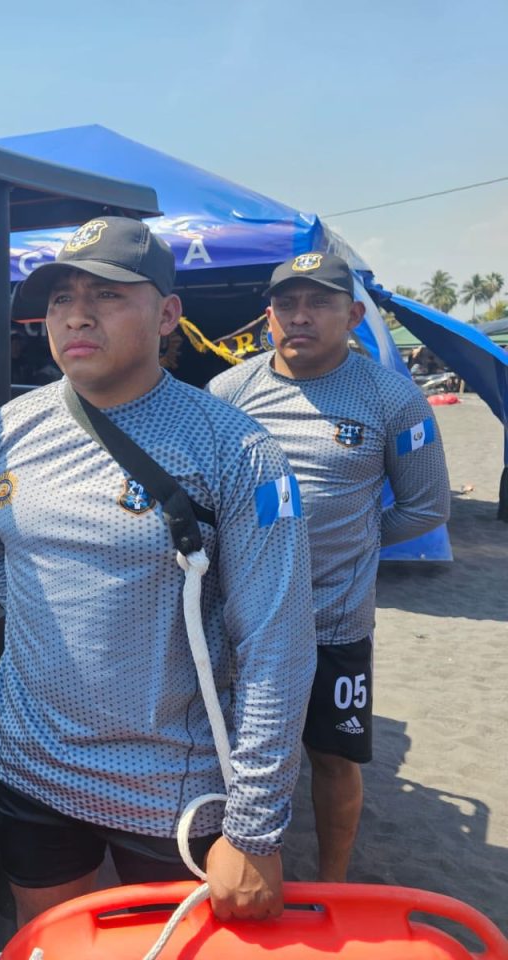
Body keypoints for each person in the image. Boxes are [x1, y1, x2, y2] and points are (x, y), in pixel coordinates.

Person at [0, 216, 316, 927]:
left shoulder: (236, 449)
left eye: (108, 293)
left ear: (168, 314)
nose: (77, 315)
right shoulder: (5, 430)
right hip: (31, 765)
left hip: (173, 787)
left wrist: (254, 831)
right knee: (52, 939)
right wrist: (54, 620)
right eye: (61, 297)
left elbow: (277, 645)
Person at [207, 252, 450, 882]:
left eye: (320, 302)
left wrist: (356, 543)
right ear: (268, 316)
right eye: (287, 304)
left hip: (334, 621)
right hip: (239, 620)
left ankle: (333, 884)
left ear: (354, 314)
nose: (301, 316)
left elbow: (427, 506)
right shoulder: (228, 393)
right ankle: (230, 867)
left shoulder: (393, 398)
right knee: (226, 750)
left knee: (333, 758)